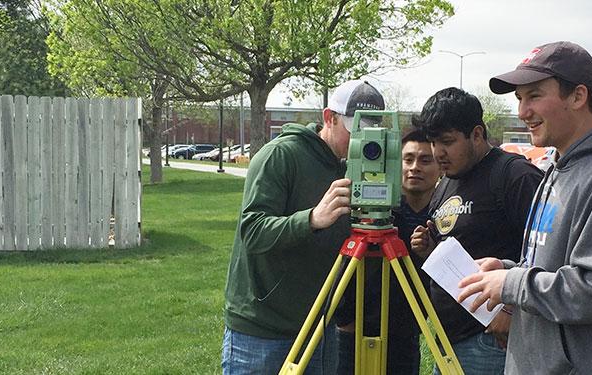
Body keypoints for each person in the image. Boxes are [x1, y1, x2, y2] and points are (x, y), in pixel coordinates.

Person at [456, 41, 592, 374]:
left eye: (535, 95)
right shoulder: (557, 168)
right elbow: (555, 264)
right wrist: (508, 268)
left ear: (578, 96)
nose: (524, 111)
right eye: (520, 99)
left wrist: (512, 284)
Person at [221, 79, 385, 374]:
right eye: (354, 128)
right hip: (263, 330)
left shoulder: (359, 167)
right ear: (329, 118)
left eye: (370, 130)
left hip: (320, 325)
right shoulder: (280, 155)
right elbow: (253, 231)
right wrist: (311, 219)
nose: (362, 139)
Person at [408, 87, 544, 375]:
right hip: (448, 338)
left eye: (447, 141)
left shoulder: (514, 175)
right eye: (433, 142)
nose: (438, 153)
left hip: (489, 340)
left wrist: (510, 310)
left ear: (477, 134)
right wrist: (430, 248)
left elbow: (545, 252)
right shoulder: (447, 181)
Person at [335, 129, 441, 374]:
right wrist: (345, 319)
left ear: (440, 167)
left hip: (404, 333)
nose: (415, 167)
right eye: (408, 159)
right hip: (354, 330)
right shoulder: (369, 215)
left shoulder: (441, 218)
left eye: (426, 160)